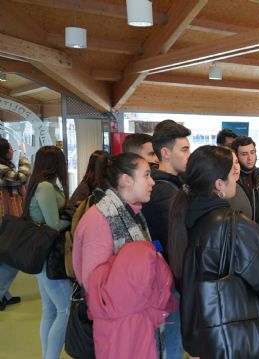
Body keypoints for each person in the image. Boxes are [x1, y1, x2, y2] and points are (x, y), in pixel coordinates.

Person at [167, 145, 259, 358]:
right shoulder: (235, 226)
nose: (237, 175)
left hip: (207, 336)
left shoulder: (187, 218)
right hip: (239, 337)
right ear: (219, 184)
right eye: (232, 171)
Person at [73, 152, 175, 358]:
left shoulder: (132, 212)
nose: (152, 182)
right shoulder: (100, 219)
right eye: (146, 175)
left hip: (140, 323)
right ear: (126, 180)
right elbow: (95, 289)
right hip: (121, 333)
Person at [141, 120, 191, 359]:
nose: (188, 155)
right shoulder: (164, 192)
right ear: (165, 153)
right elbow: (172, 242)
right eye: (184, 149)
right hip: (170, 284)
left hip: (170, 281)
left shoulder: (173, 187)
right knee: (172, 346)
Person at [23, 146, 71, 359]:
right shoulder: (44, 187)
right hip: (47, 254)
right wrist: (72, 219)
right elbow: (53, 223)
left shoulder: (42, 185)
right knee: (65, 310)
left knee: (50, 310)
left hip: (41, 254)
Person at [0, 139, 30, 311]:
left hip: (6, 214)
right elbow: (22, 177)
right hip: (5, 215)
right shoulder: (2, 168)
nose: (12, 151)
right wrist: (24, 159)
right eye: (10, 149)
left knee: (5, 255)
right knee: (10, 256)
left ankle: (4, 294)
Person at [231, 136, 259, 227]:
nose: (250, 158)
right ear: (236, 155)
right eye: (244, 154)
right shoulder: (232, 179)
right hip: (240, 233)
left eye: (252, 152)